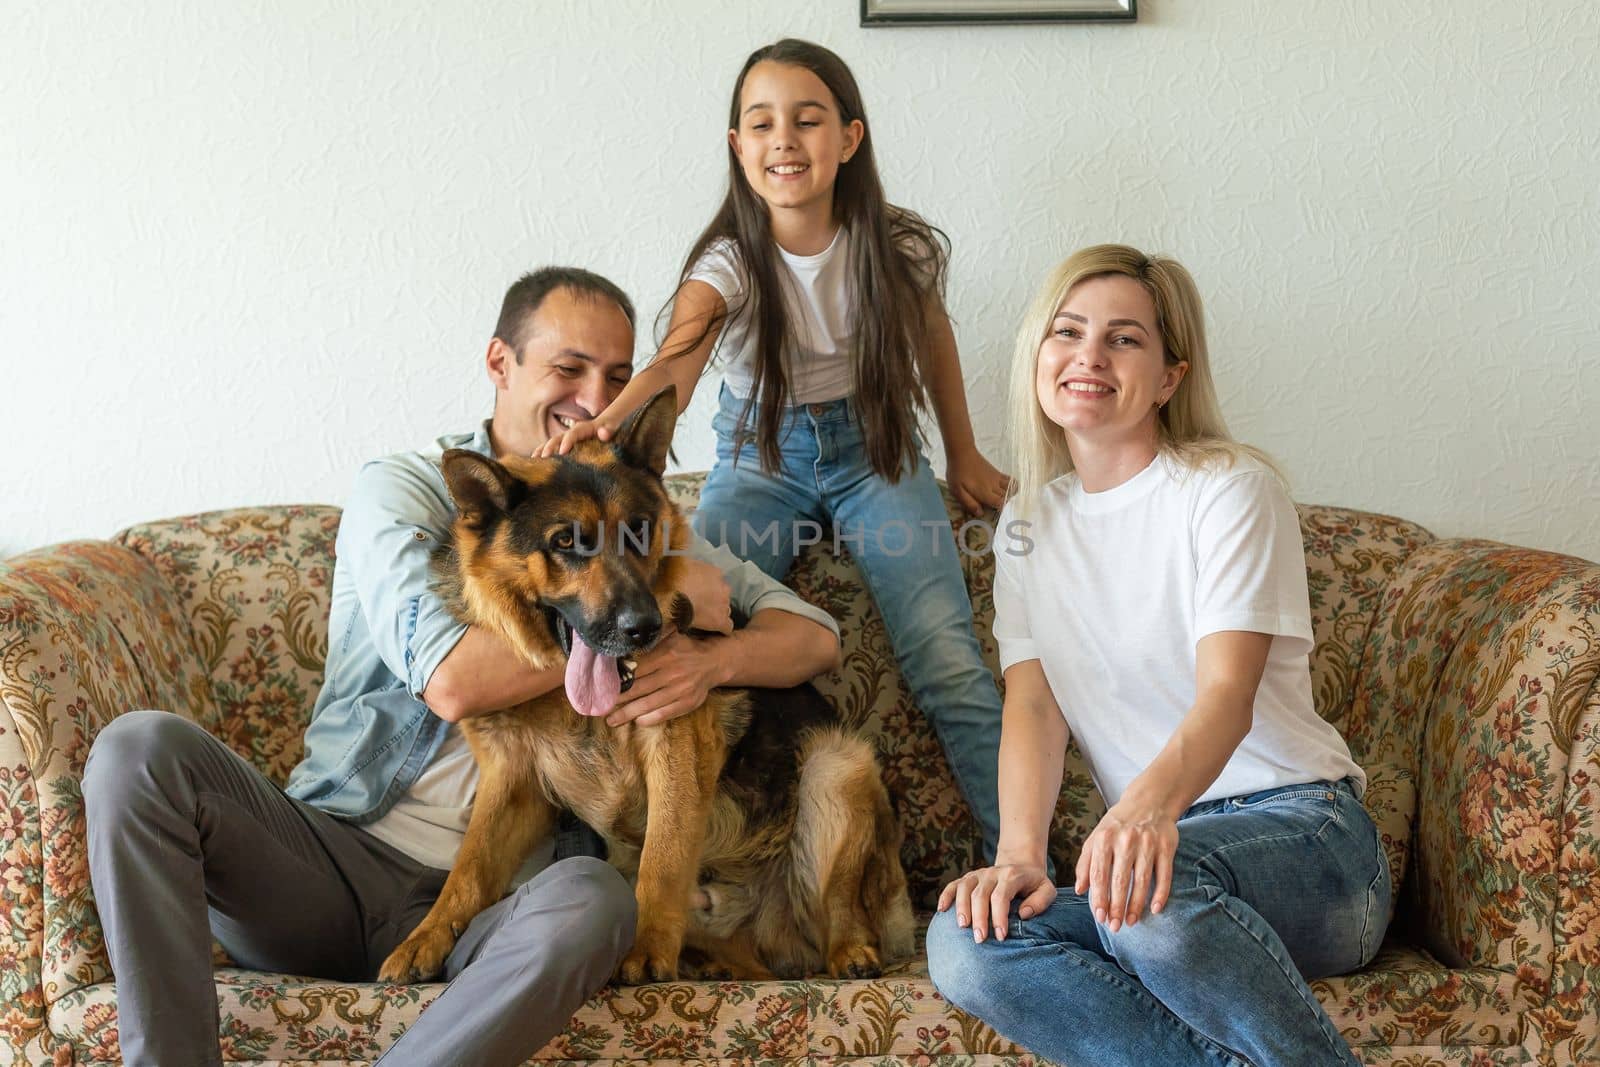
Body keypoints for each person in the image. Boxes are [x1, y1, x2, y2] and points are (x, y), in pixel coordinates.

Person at [82, 266, 842, 1067]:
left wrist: (700, 656)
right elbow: (450, 680)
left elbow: (816, 636)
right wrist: (643, 610)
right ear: (499, 364)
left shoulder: (633, 517)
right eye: (569, 368)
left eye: (618, 376)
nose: (594, 398)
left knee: (598, 901)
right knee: (139, 751)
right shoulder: (404, 487)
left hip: (510, 904)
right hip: (333, 859)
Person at [925, 245, 1389, 1067]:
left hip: (1307, 835)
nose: (1090, 356)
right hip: (1150, 874)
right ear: (1039, 354)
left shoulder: (1228, 489)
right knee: (969, 943)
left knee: (1145, 899)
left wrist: (1145, 810)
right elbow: (1034, 707)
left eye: (1125, 339)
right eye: (1068, 332)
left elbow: (1227, 695)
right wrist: (1020, 858)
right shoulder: (1029, 523)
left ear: (1171, 376)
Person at [544, 39, 1007, 860]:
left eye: (807, 120)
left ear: (850, 138)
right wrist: (611, 422)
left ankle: (1028, 863)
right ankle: (658, 852)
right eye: (761, 124)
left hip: (878, 455)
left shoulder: (897, 246)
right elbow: (675, 362)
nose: (784, 139)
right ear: (738, 148)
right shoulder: (729, 261)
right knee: (689, 615)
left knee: (951, 663)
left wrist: (965, 456)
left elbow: (933, 341)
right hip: (762, 456)